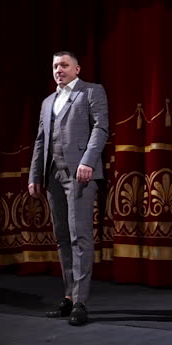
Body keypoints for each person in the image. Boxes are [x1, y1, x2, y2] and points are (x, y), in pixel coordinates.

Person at [27, 51, 110, 326]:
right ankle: (69, 296)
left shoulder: (91, 92)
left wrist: (88, 161)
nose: (58, 70)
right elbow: (41, 140)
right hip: (53, 176)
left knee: (80, 237)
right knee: (62, 237)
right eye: (54, 66)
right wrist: (35, 175)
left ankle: (81, 302)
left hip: (80, 174)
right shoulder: (48, 101)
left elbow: (101, 129)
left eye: (63, 65)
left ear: (77, 68)